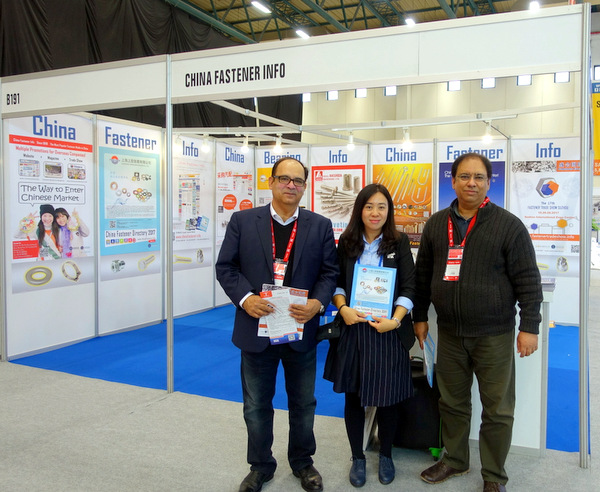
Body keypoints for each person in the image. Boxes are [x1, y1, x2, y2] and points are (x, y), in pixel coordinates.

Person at [413, 153, 543, 492]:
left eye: (479, 177)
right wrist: (419, 317)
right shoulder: (436, 224)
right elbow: (422, 275)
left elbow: (528, 280)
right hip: (450, 333)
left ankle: (494, 476)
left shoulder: (508, 225)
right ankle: (455, 460)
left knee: (497, 409)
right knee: (451, 403)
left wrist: (529, 326)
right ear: (453, 181)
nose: (472, 183)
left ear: (488, 182)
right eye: (465, 176)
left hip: (494, 335)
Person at [215, 157, 338, 492]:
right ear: (270, 182)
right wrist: (246, 299)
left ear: (305, 186)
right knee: (256, 406)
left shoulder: (320, 225)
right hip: (257, 329)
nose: (291, 186)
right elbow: (226, 267)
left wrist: (317, 303)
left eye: (298, 181)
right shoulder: (243, 221)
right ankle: (260, 466)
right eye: (284, 179)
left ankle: (303, 462)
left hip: (300, 329)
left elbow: (330, 273)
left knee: (304, 404)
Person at [324, 183, 416, 488]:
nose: (375, 213)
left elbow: (410, 287)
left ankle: (386, 454)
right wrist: (343, 308)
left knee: (388, 399)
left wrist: (396, 320)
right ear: (359, 210)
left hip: (387, 330)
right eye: (369, 206)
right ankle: (358, 457)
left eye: (381, 207)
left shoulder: (399, 242)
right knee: (353, 396)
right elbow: (337, 282)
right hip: (354, 329)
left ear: (389, 211)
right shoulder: (347, 241)